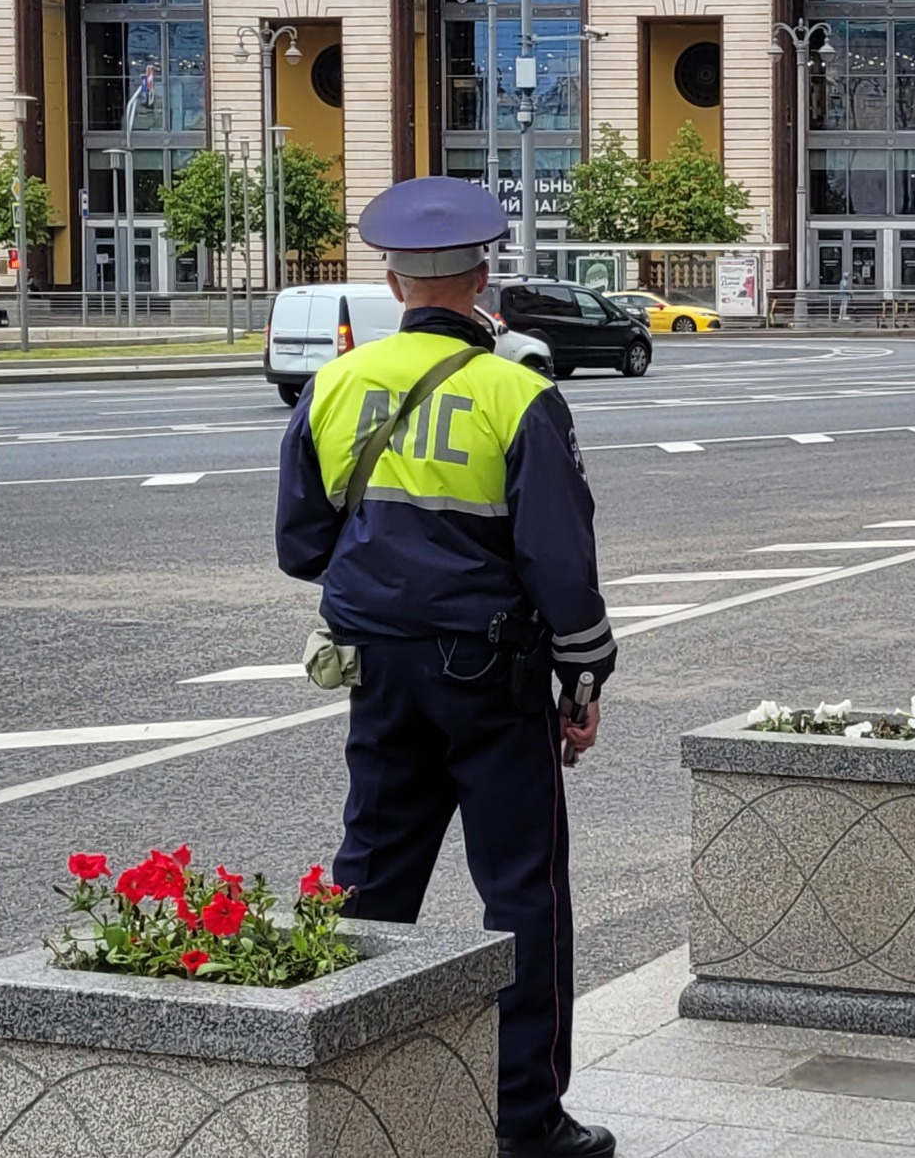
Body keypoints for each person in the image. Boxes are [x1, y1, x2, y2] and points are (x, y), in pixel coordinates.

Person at [276, 176, 619, 1158]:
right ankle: (524, 1121)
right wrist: (582, 676)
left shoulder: (333, 387)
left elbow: (302, 546)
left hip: (376, 671)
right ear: (481, 276)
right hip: (491, 675)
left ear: (391, 276)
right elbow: (561, 564)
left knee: (370, 879)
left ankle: (342, 1098)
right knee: (521, 889)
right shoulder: (520, 393)